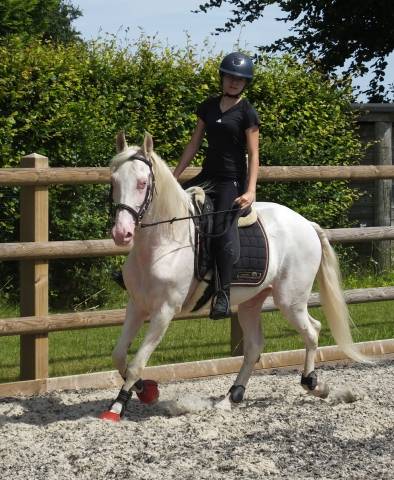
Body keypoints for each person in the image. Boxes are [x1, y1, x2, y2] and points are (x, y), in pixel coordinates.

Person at [173, 52, 260, 320]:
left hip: (231, 181)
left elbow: (254, 154)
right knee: (169, 209)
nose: (234, 82)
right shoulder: (208, 106)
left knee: (223, 230)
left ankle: (221, 294)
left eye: (239, 79)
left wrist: (250, 190)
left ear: (245, 83)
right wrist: (175, 176)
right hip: (207, 175)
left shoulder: (247, 112)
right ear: (222, 78)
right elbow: (194, 143)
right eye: (230, 77)